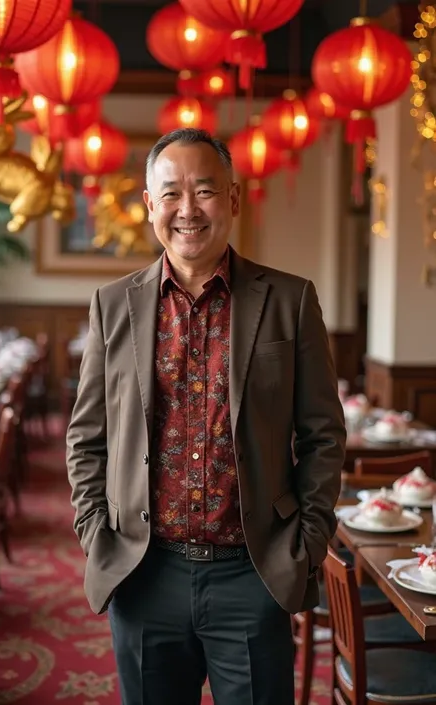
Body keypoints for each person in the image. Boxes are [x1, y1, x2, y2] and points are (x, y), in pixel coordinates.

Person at [66, 127, 346, 705]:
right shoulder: (113, 306)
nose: (187, 209)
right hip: (144, 573)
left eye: (205, 191)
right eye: (170, 193)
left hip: (253, 573)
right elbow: (86, 438)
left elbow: (323, 435)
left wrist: (307, 543)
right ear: (150, 206)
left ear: (234, 199)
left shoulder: (290, 301)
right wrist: (98, 535)